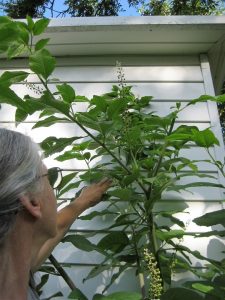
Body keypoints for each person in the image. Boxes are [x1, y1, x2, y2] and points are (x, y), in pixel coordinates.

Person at [0, 128, 112, 300]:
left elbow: (56, 227)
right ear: (32, 201)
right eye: (47, 178)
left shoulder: (15, 265)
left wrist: (81, 203)